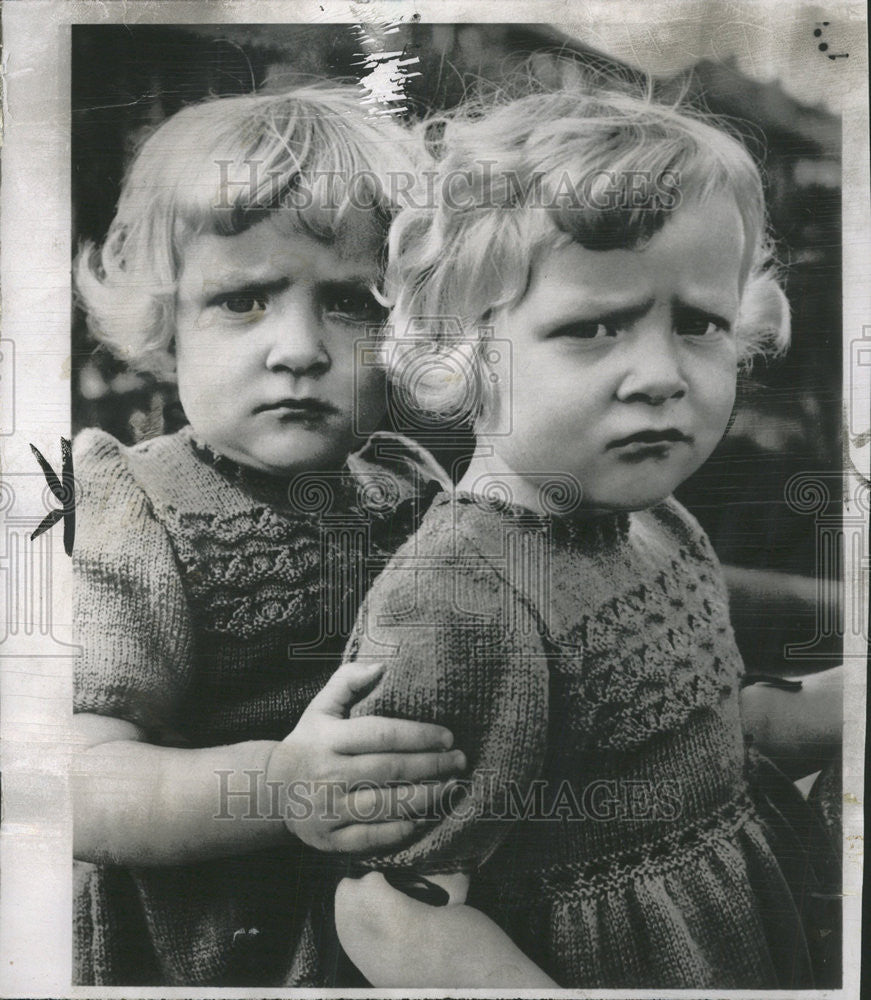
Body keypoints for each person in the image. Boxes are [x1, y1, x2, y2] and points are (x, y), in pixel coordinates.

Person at [320, 83, 843, 988]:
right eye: (592, 326)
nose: (659, 374)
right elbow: (391, 904)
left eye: (697, 323)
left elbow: (717, 738)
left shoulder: (658, 523)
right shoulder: (461, 596)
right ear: (464, 350)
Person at [71, 84, 465, 986]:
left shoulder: (409, 482)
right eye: (243, 300)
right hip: (220, 950)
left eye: (350, 304)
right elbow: (79, 783)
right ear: (165, 328)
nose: (299, 347)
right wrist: (281, 786)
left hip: (409, 931)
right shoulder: (136, 505)